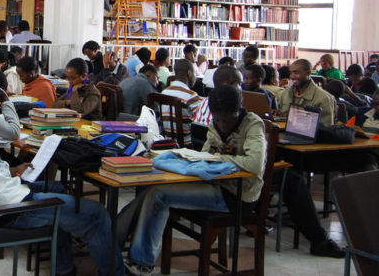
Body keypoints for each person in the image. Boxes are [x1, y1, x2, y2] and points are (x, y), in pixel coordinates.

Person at [0, 70, 124, 276]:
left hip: (0, 197)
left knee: (57, 188)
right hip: (9, 209)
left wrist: (11, 170)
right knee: (96, 213)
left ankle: (63, 268)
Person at [123, 85, 267, 275]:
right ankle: (126, 241)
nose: (222, 124)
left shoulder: (253, 124)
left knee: (159, 195)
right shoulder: (215, 123)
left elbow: (254, 163)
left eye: (227, 119)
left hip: (235, 195)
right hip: (213, 183)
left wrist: (219, 158)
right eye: (217, 119)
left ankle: (142, 262)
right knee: (153, 185)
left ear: (238, 112)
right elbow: (205, 154)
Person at [160, 59, 204, 144]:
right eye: (194, 74)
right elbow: (202, 120)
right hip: (187, 143)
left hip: (166, 141)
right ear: (189, 73)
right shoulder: (191, 96)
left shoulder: (163, 93)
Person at [278, 59, 335, 125]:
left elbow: (326, 129)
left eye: (296, 73)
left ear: (308, 72)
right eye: (290, 73)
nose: (292, 77)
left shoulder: (324, 98)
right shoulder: (285, 93)